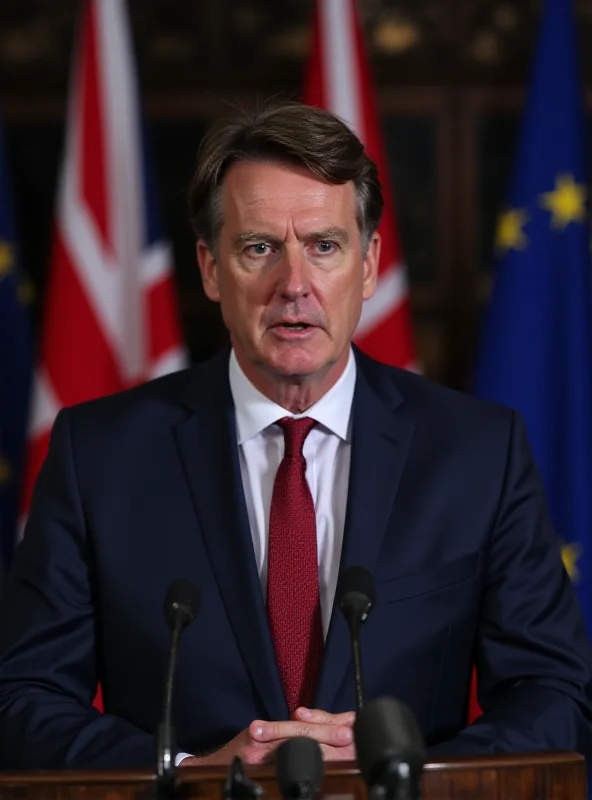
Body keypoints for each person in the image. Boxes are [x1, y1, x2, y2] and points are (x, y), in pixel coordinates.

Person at [0, 102, 591, 771]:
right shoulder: (99, 456)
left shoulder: (479, 454)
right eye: (259, 249)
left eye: (324, 246)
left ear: (367, 266)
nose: (294, 285)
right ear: (210, 268)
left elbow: (557, 694)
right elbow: (24, 698)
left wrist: (409, 775)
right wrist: (187, 773)